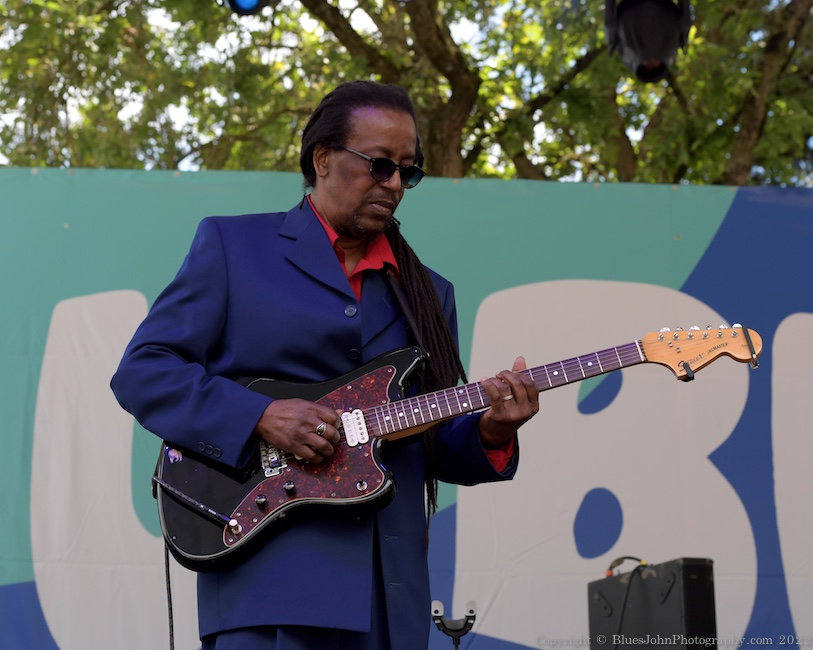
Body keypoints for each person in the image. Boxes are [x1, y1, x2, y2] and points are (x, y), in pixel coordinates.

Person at [110, 80, 540, 650]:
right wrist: (259, 416)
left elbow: (429, 441)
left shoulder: (431, 294)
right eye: (379, 165)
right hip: (266, 586)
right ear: (323, 159)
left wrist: (492, 431)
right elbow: (144, 370)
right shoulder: (234, 246)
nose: (394, 184)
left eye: (408, 172)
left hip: (389, 599)